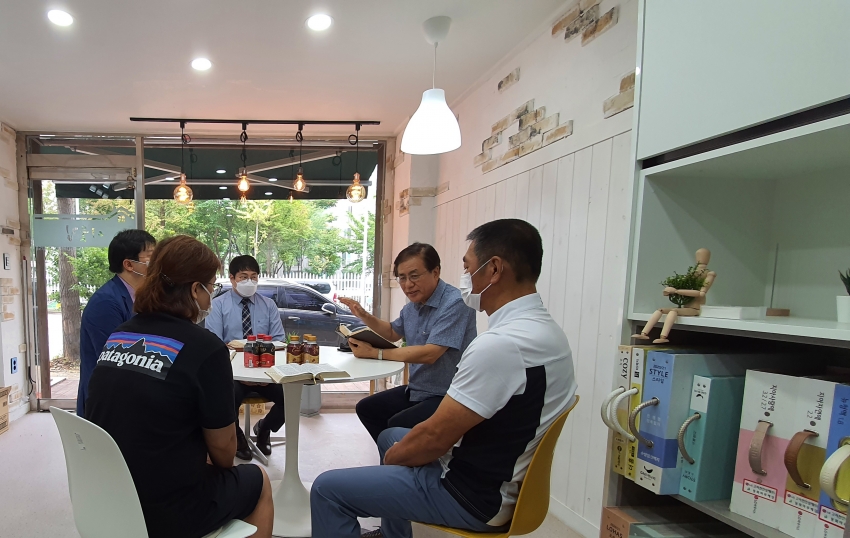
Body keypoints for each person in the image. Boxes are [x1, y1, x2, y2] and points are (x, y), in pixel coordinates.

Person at [311, 219, 577, 538]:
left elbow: (434, 438)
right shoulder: (549, 334)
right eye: (402, 278)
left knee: (327, 489)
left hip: (469, 494)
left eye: (468, 267)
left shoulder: (500, 345)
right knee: (390, 434)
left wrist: (393, 460)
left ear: (494, 269)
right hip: (496, 476)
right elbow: (394, 333)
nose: (465, 277)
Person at [85, 235, 273, 538]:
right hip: (166, 510)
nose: (211, 296)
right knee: (258, 479)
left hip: (110, 496)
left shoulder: (120, 335)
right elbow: (225, 453)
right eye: (211, 287)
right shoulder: (206, 348)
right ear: (196, 290)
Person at [338, 242, 477, 443]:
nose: (407, 285)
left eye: (414, 276)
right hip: (417, 390)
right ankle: (393, 458)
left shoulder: (455, 302)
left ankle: (405, 459)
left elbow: (430, 354)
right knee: (367, 409)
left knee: (396, 425)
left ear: (436, 272)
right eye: (402, 277)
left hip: (448, 396)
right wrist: (364, 315)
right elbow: (392, 332)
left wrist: (375, 353)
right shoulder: (413, 305)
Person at [206, 255, 286, 460]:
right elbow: (215, 345)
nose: (249, 281)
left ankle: (265, 428)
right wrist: (240, 372)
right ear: (232, 278)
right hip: (232, 374)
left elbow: (279, 341)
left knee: (291, 396)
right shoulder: (217, 305)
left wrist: (262, 371)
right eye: (243, 277)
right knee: (225, 399)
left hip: (266, 372)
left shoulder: (268, 305)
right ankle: (238, 437)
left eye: (253, 276)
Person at [77, 229, 156, 416]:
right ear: (129, 264)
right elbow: (115, 361)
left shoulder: (142, 296)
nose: (157, 263)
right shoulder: (106, 302)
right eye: (151, 257)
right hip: (106, 401)